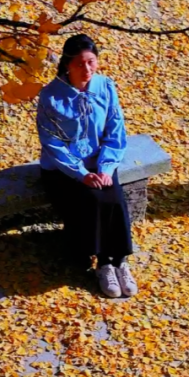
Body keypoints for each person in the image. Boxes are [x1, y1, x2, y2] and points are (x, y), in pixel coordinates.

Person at [36, 34, 138, 298]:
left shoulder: (105, 87)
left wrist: (105, 167)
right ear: (67, 64)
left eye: (92, 62)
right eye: (80, 64)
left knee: (114, 197)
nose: (87, 69)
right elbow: (52, 144)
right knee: (94, 199)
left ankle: (119, 261)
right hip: (63, 169)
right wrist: (82, 174)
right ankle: (103, 263)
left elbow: (115, 131)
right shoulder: (50, 97)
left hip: (100, 161)